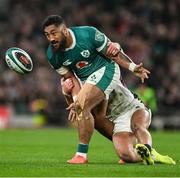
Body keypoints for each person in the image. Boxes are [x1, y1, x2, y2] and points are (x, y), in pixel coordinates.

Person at [42, 15, 150, 164]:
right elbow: (71, 79)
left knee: (83, 106)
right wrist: (75, 100)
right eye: (47, 35)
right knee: (97, 118)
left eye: (54, 33)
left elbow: (112, 52)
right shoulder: (52, 55)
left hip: (106, 69)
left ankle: (81, 155)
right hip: (87, 81)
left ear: (65, 30)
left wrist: (132, 67)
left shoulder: (88, 34)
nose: (51, 38)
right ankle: (134, 150)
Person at [62, 77, 176, 165]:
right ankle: (149, 155)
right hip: (117, 119)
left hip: (132, 106)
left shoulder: (103, 69)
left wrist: (82, 105)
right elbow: (76, 108)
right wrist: (66, 93)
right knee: (126, 156)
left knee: (137, 126)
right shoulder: (74, 79)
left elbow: (95, 110)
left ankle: (147, 147)